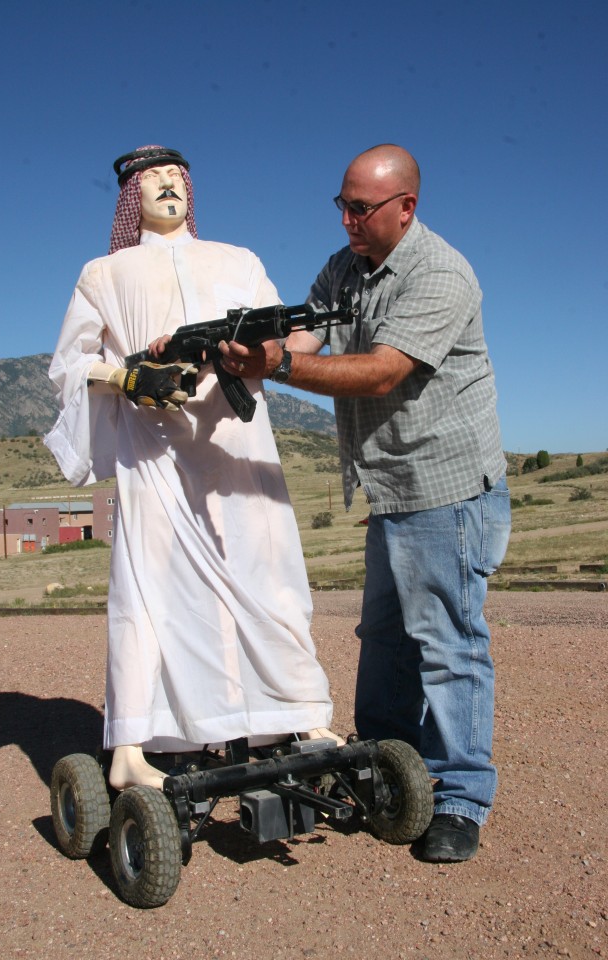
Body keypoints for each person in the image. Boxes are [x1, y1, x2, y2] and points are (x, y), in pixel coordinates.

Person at [220, 143, 511, 863]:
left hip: (445, 488)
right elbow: (303, 333)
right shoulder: (342, 267)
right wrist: (238, 347)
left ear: (405, 208)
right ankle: (387, 764)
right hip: (390, 487)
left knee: (447, 644)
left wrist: (280, 365)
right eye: (341, 205)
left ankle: (460, 798)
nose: (347, 219)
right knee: (384, 636)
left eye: (361, 207)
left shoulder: (441, 273)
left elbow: (381, 372)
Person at [45, 145, 340, 792]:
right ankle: (129, 744)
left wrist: (254, 353)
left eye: (176, 174)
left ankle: (297, 715)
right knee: (146, 588)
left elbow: (280, 340)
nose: (167, 183)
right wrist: (126, 373)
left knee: (269, 574)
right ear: (129, 197)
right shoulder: (103, 272)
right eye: (150, 178)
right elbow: (68, 365)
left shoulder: (241, 262)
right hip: (153, 450)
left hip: (240, 448)